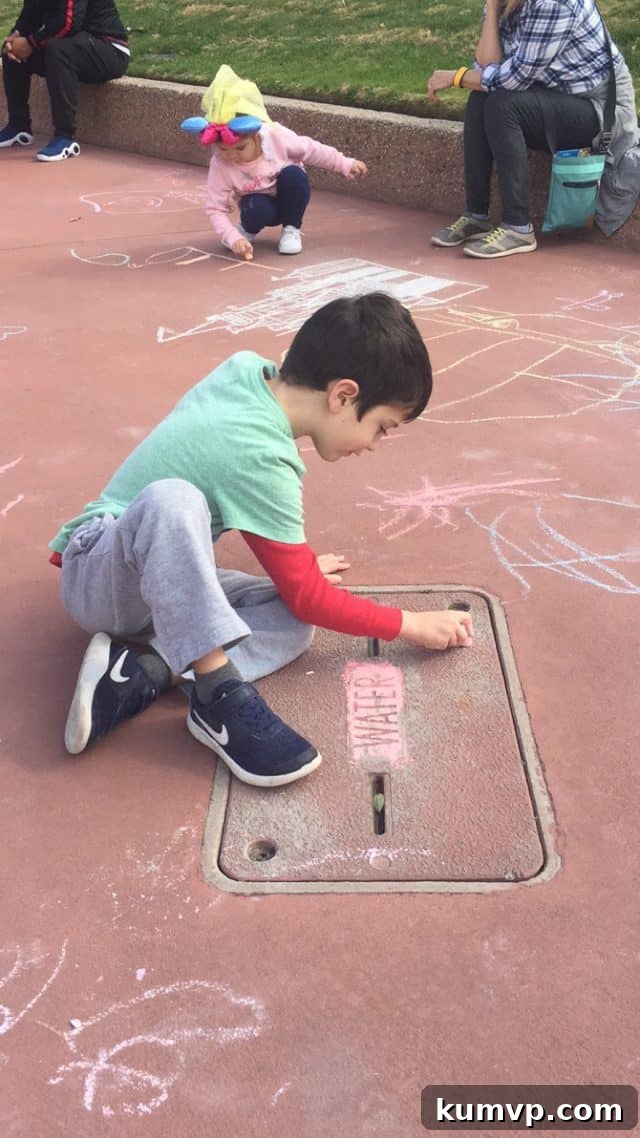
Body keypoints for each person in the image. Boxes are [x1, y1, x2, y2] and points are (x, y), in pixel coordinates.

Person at [49, 293, 473, 789]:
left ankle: (138, 673)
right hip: (99, 571)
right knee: (173, 500)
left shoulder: (249, 371)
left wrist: (301, 568)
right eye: (380, 427)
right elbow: (310, 596)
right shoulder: (261, 455)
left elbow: (298, 595)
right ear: (342, 395)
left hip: (154, 577)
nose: (375, 445)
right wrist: (411, 626)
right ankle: (216, 696)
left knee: (293, 623)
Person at [426, 0, 640, 258]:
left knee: (503, 105)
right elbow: (486, 66)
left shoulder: (555, 3)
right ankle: (476, 216)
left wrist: (456, 77)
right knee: (480, 99)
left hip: (600, 110)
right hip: (557, 95)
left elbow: (512, 79)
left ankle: (518, 228)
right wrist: (493, 8)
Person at [181, 65, 368, 257]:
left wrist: (344, 163)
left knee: (294, 175)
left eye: (240, 148)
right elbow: (215, 208)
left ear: (255, 134)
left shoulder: (274, 137)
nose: (232, 155)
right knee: (255, 207)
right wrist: (231, 237)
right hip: (259, 205)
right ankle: (246, 230)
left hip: (288, 197)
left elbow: (311, 149)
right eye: (223, 149)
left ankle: (291, 229)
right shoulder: (221, 164)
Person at [1, 0, 129, 162]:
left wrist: (31, 43)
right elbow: (29, 17)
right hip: (74, 45)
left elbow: (69, 23)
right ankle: (18, 127)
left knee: (58, 50)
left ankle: (65, 137)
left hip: (109, 48)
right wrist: (15, 38)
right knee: (10, 50)